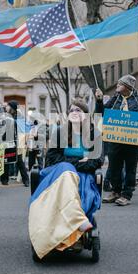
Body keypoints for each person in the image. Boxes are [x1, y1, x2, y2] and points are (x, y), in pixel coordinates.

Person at [30, 98, 103, 258]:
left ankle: (72, 232)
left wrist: (75, 164)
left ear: (85, 115)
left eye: (79, 110)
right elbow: (52, 159)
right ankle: (75, 223)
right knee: (66, 168)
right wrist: (78, 162)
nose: (75, 113)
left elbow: (97, 160)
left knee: (78, 181)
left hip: (83, 175)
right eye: (72, 110)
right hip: (58, 172)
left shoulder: (94, 133)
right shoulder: (60, 132)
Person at [96, 75, 138, 206]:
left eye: (120, 84)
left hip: (132, 141)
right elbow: (101, 113)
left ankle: (126, 194)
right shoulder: (115, 99)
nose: (117, 86)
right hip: (115, 140)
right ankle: (116, 191)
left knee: (131, 168)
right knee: (114, 167)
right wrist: (99, 101)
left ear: (127, 86)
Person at [0, 101, 30, 187]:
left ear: (12, 107)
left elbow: (23, 129)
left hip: (16, 141)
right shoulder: (5, 115)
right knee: (5, 160)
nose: (6, 107)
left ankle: (26, 179)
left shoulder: (19, 117)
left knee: (19, 161)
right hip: (6, 140)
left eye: (8, 106)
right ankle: (4, 180)